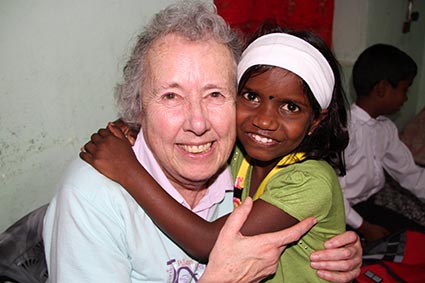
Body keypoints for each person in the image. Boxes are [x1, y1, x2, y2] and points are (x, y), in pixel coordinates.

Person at [43, 2, 361, 282]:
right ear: (138, 106)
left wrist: (335, 247)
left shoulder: (241, 159)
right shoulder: (92, 199)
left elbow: (213, 239)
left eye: (214, 94)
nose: (198, 123)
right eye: (171, 95)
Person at [338, 43, 425, 244]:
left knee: (416, 238)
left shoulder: (385, 128)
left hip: (366, 208)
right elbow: (331, 194)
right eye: (405, 89)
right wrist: (365, 227)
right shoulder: (344, 131)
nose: (406, 98)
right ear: (383, 88)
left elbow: (410, 174)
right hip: (340, 214)